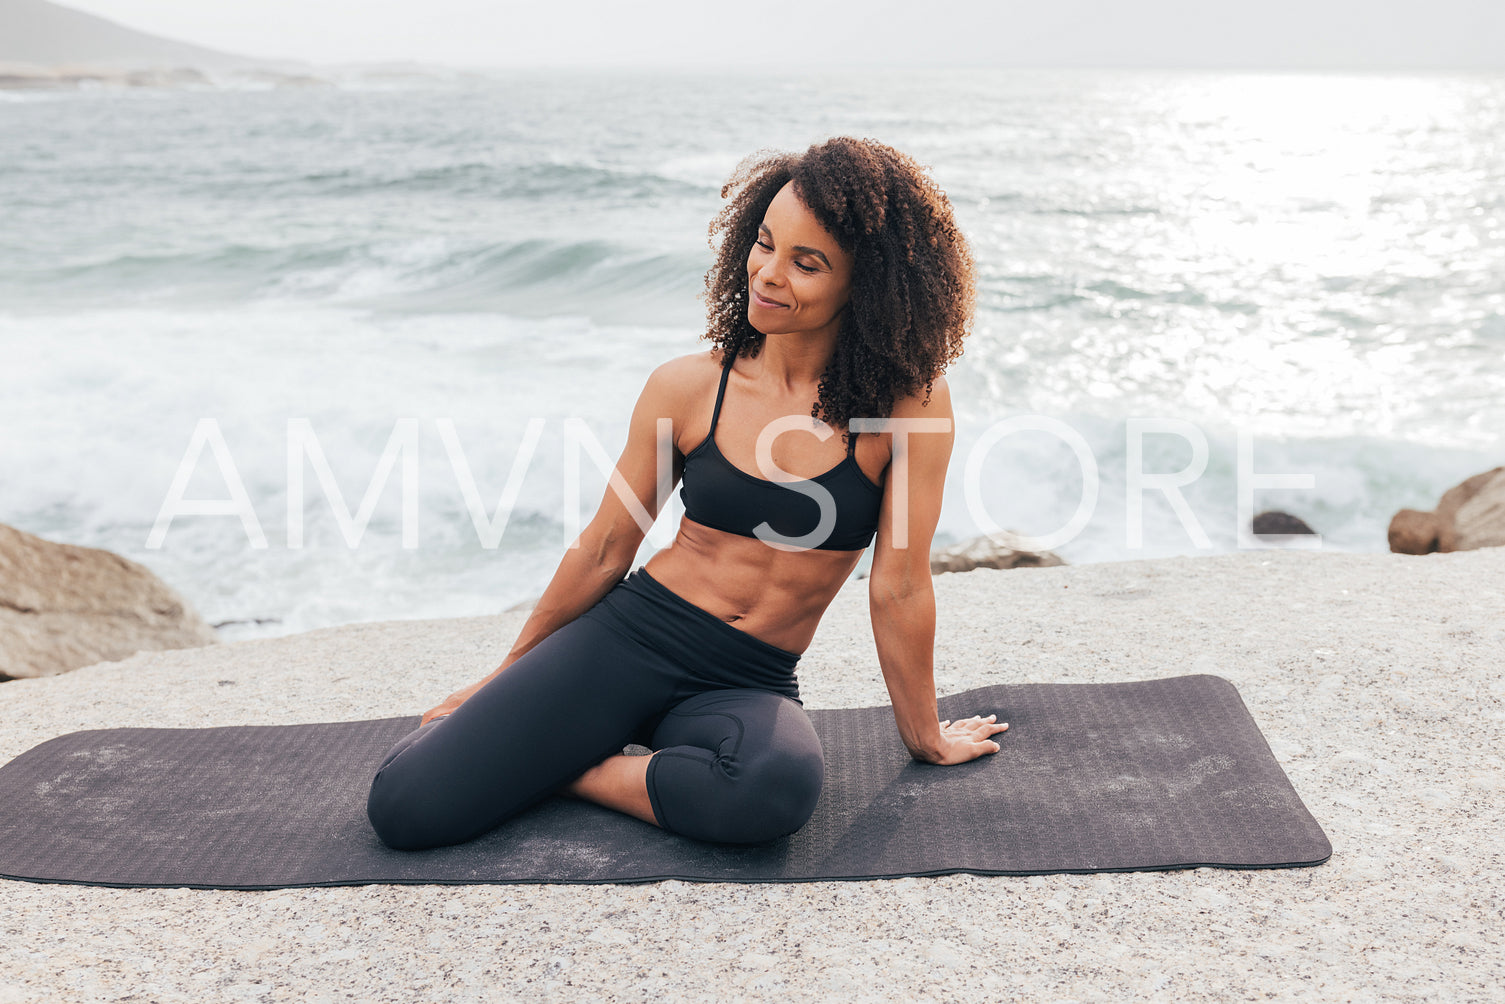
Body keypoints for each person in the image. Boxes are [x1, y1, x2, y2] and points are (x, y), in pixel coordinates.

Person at [366, 136, 1009, 851]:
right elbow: (607, 547)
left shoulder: (906, 406)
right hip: (629, 639)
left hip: (746, 679)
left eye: (807, 263)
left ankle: (573, 766)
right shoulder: (689, 387)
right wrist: (505, 676)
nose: (767, 274)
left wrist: (924, 737)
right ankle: (568, 748)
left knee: (771, 791)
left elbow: (899, 585)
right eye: (763, 243)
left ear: (867, 285)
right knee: (405, 805)